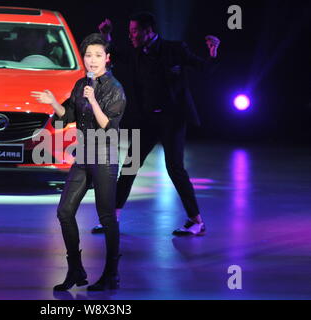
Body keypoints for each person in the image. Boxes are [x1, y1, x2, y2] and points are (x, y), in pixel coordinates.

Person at [91, 12, 220, 236]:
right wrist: (106, 35)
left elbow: (204, 68)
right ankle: (112, 218)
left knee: (175, 169)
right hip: (147, 119)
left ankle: (196, 221)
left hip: (172, 118)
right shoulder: (136, 51)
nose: (131, 35)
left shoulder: (174, 49)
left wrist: (212, 51)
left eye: (134, 31)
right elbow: (113, 54)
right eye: (130, 31)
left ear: (148, 31)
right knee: (130, 167)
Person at [31, 33, 126, 291]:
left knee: (107, 217)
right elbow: (67, 116)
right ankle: (76, 269)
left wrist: (93, 100)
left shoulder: (114, 88)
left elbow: (109, 127)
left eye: (97, 55)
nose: (92, 60)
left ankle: (111, 274)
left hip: (105, 155)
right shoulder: (80, 84)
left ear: (107, 58)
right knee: (64, 211)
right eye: (88, 55)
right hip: (83, 155)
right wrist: (54, 104)